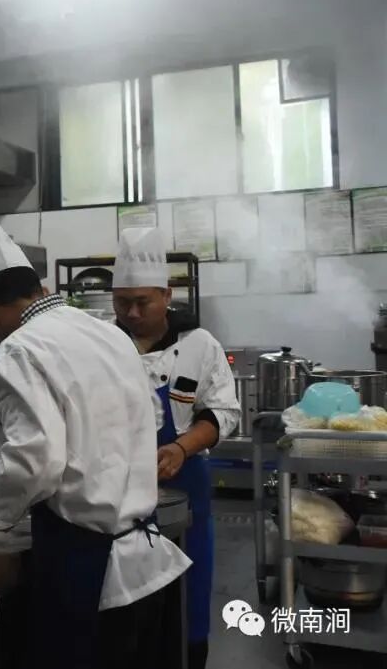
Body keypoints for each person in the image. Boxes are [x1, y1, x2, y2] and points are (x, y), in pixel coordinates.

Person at [0, 212, 190, 669]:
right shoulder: (108, 334)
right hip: (146, 561)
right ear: (38, 288)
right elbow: (146, 417)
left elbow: (36, 460)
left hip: (89, 571)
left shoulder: (19, 349)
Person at [112, 226, 241, 669]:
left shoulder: (200, 345)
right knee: (126, 608)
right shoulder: (102, 345)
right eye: (121, 302)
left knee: (187, 596)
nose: (131, 313)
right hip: (117, 492)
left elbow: (222, 412)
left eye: (142, 302)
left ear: (167, 295)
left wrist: (182, 448)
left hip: (184, 485)